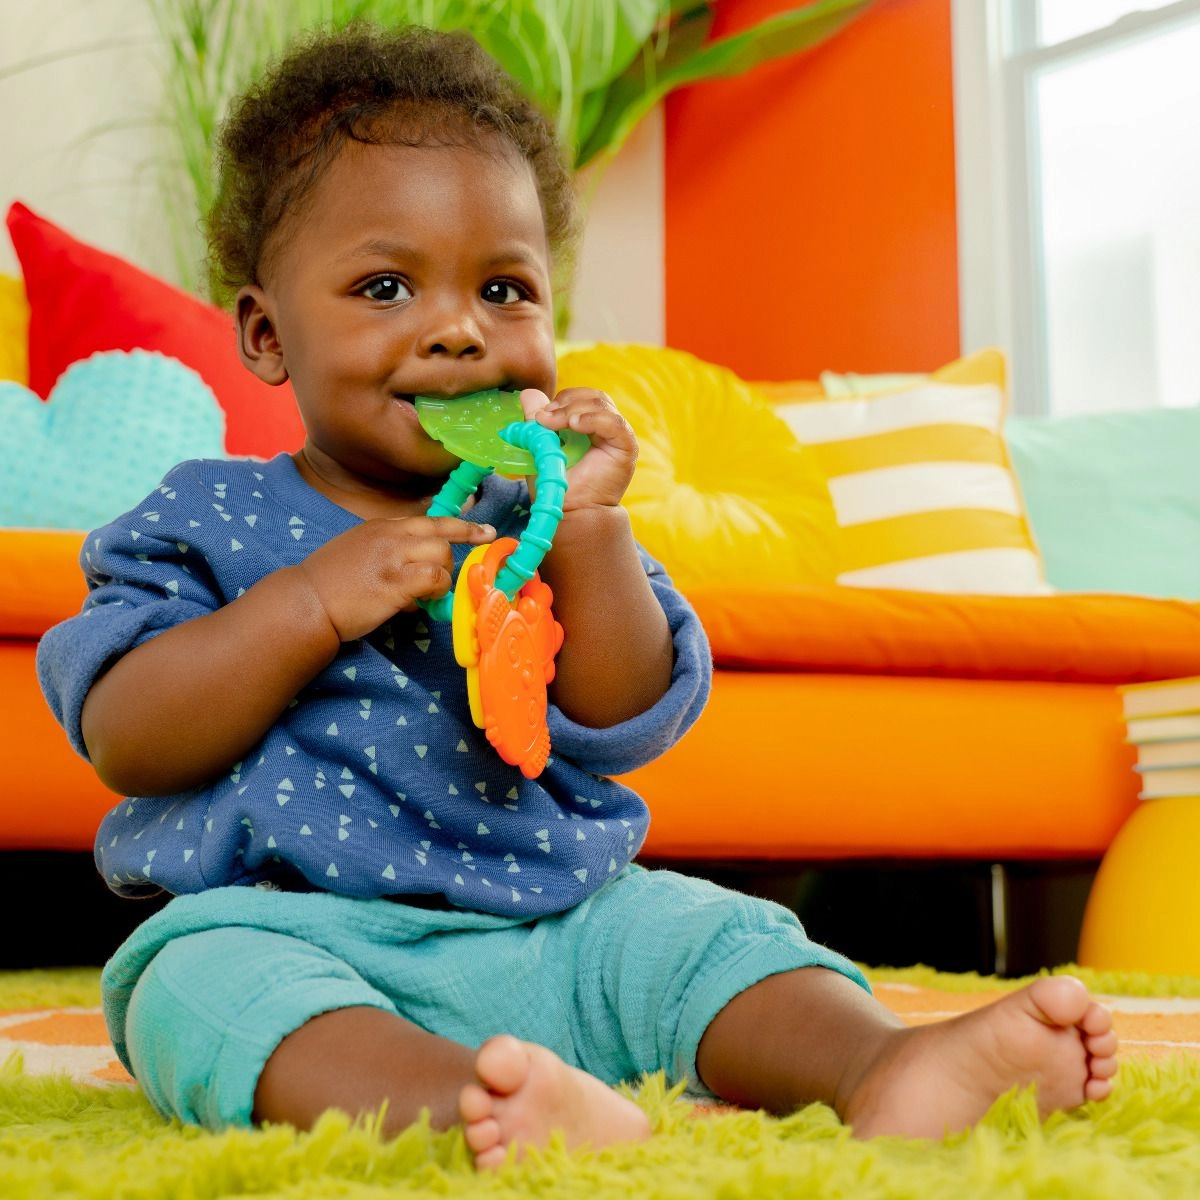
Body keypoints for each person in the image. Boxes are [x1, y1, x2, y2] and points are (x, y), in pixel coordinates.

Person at [37, 23, 1117, 1170]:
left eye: (504, 289)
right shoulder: (206, 514)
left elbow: (626, 712)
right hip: (291, 933)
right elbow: (126, 734)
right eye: (387, 286)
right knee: (189, 991)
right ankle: (462, 1105)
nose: (460, 329)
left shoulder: (540, 516)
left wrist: (592, 530)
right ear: (267, 334)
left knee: (706, 931)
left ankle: (882, 1065)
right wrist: (309, 604)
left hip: (552, 925)